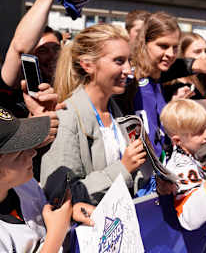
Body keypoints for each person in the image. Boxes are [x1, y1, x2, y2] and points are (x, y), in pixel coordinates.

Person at [41, 24, 149, 205]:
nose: (128, 70)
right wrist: (122, 168)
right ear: (88, 65)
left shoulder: (118, 113)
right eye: (119, 61)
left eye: (129, 61)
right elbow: (60, 196)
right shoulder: (66, 117)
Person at [131, 12, 206, 157]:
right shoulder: (129, 81)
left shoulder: (157, 79)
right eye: (163, 46)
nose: (170, 53)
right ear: (144, 43)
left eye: (175, 47)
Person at [0, 108, 94, 252]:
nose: (32, 152)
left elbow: (46, 221)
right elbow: (52, 234)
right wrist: (56, 234)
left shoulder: (25, 184)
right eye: (19, 152)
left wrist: (69, 215)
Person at [0, 0, 62, 117]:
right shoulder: (18, 93)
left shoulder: (74, 87)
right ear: (30, 57)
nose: (52, 55)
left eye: (56, 48)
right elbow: (19, 48)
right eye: (42, 51)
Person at [160, 99, 206, 231]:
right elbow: (191, 219)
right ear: (178, 140)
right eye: (199, 131)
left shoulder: (197, 148)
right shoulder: (179, 167)